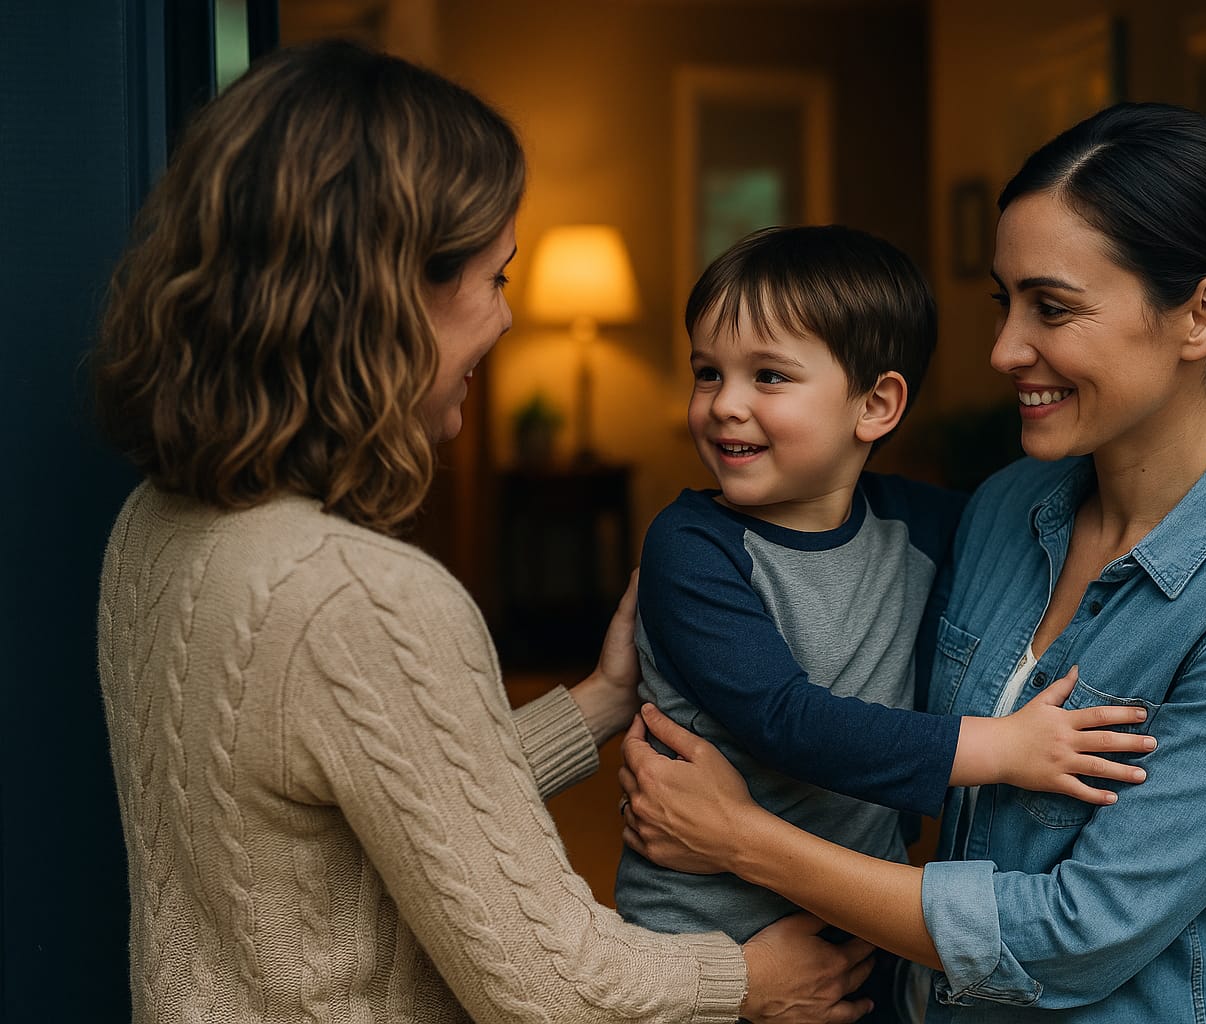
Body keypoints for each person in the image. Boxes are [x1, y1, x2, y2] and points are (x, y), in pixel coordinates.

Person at [91, 40, 879, 1024]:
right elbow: (551, 988)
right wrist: (751, 979)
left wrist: (598, 700)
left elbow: (370, 799)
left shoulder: (156, 524)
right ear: (389, 294)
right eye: (496, 279)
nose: (505, 324)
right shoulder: (358, 591)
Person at [619, 102, 1206, 1023]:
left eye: (1051, 307)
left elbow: (1072, 938)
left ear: (1203, 316)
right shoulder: (1006, 510)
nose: (1004, 349)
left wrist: (741, 840)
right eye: (1003, 303)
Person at [613, 226, 1155, 1018]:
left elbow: (1052, 524)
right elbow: (783, 719)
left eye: (767, 375)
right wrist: (999, 749)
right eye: (707, 373)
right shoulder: (692, 546)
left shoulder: (922, 525)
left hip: (864, 937)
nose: (723, 403)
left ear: (876, 405)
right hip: (707, 955)